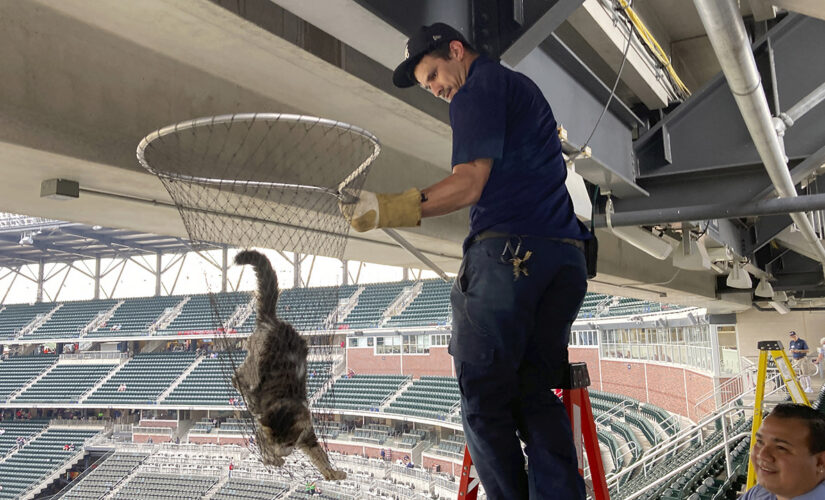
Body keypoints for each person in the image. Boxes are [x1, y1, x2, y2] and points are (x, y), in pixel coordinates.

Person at [342, 22, 591, 499]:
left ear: (457, 51)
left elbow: (468, 184)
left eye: (435, 73)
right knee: (532, 394)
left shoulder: (475, 92)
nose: (435, 89)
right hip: (566, 261)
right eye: (428, 84)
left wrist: (386, 208)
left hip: (511, 261)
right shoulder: (520, 88)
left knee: (482, 400)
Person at [741, 403, 825, 499]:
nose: (762, 455)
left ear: (820, 462)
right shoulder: (761, 492)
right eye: (760, 442)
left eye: (781, 448)